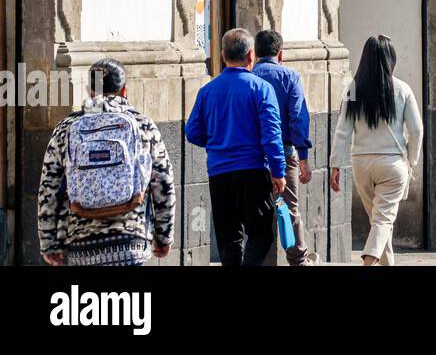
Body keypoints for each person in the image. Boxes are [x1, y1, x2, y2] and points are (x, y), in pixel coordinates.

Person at [37, 59, 174, 267]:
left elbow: (49, 189)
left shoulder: (66, 128)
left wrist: (49, 243)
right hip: (131, 243)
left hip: (82, 244)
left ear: (89, 91)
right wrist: (164, 237)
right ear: (124, 91)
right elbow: (163, 184)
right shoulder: (143, 125)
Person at [184, 28, 286, 266]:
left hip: (219, 173)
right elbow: (272, 135)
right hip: (253, 172)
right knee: (261, 235)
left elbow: (192, 132)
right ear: (251, 56)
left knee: (228, 238)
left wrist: (217, 143)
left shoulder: (207, 91)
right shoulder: (261, 89)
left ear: (222, 56)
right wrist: (278, 171)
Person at [329, 35, 423, 265]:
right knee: (382, 221)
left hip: (361, 164)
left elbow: (342, 130)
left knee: (379, 221)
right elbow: (417, 130)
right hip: (392, 165)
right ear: (391, 59)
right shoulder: (402, 89)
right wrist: (411, 161)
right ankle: (368, 262)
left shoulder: (352, 89)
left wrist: (335, 165)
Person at [252, 29, 315, 265]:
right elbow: (298, 118)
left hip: (253, 157)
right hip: (285, 152)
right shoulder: (290, 77)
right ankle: (299, 259)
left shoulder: (250, 77)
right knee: (290, 209)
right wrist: (304, 156)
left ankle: (261, 260)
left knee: (257, 212)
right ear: (281, 53)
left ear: (254, 54)